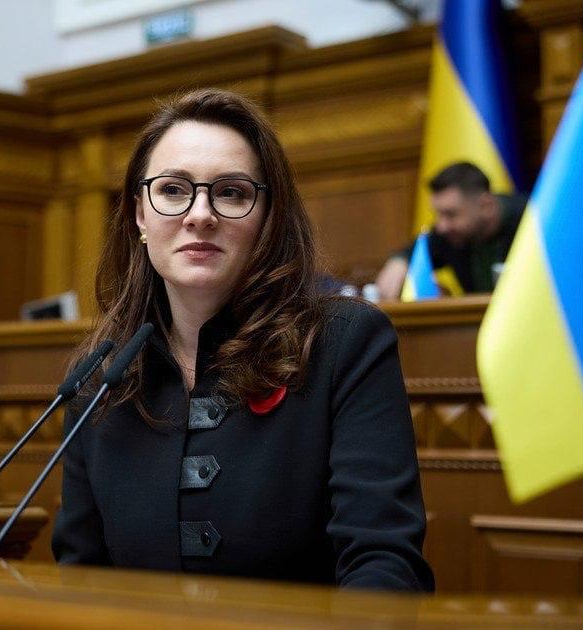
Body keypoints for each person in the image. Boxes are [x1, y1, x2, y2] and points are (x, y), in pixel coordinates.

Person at [51, 89, 433, 591]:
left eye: (231, 193)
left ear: (268, 217)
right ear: (139, 215)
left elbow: (384, 564)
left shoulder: (345, 343)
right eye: (172, 190)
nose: (200, 214)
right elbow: (80, 579)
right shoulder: (101, 376)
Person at [375, 162, 526, 300]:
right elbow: (415, 252)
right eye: (438, 214)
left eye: (450, 214)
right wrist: (399, 261)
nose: (441, 226)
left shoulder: (530, 222)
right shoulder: (449, 235)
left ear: (486, 206)